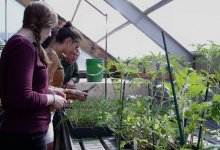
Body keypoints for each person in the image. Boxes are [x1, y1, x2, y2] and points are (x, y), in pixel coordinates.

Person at [0, 1, 68, 150]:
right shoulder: (22, 47)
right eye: (50, 28)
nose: (50, 34)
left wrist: (48, 91)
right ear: (42, 24)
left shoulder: (19, 44)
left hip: (22, 132)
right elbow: (22, 97)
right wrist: (53, 99)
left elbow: (20, 88)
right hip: (25, 135)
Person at [42, 22, 87, 150]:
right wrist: (71, 94)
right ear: (68, 42)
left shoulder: (52, 54)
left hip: (47, 111)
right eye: (76, 46)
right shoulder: (52, 55)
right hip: (44, 113)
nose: (76, 51)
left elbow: (48, 88)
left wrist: (75, 94)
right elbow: (43, 89)